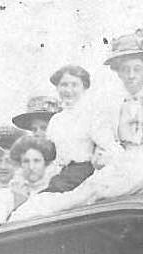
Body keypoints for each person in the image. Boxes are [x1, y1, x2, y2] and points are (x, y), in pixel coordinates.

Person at [11, 31, 143, 220]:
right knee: (74, 198)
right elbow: (105, 145)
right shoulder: (109, 106)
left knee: (89, 194)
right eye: (125, 69)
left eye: (137, 69)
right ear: (118, 72)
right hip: (117, 169)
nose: (131, 75)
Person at [40, 64, 99, 192]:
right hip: (61, 173)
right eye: (64, 85)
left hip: (85, 173)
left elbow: (106, 147)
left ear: (84, 87)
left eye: (74, 85)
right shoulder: (56, 120)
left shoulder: (92, 115)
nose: (68, 90)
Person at [8, 135, 58, 212]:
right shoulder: (13, 189)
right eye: (26, 161)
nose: (31, 167)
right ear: (20, 164)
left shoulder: (54, 187)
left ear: (46, 163)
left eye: (36, 161)